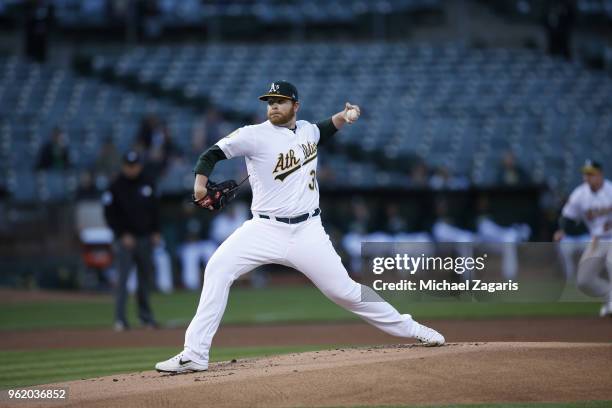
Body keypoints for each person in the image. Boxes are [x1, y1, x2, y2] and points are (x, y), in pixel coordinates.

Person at [155, 81, 444, 373]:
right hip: (264, 229)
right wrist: (200, 186)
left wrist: (345, 116)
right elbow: (211, 154)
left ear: (296, 106)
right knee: (217, 268)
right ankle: (195, 354)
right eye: (270, 102)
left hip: (308, 231)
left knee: (346, 291)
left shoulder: (308, 130)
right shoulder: (253, 135)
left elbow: (326, 128)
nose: (274, 106)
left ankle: (412, 328)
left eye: (280, 101)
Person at [103, 151, 160, 331]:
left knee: (145, 279)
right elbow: (110, 215)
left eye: (135, 165)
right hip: (125, 240)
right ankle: (120, 319)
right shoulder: (115, 186)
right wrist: (121, 234)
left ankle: (145, 317)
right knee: (123, 280)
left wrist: (156, 231)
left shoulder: (148, 182)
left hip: (145, 238)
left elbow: (155, 210)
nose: (132, 169)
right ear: (123, 166)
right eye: (129, 165)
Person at [553, 160, 612, 317]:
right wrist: (562, 230)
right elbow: (567, 216)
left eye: (591, 174)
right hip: (597, 240)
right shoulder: (580, 194)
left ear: (600, 175)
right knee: (584, 281)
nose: (587, 177)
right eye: (586, 174)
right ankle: (609, 298)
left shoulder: (610, 190)